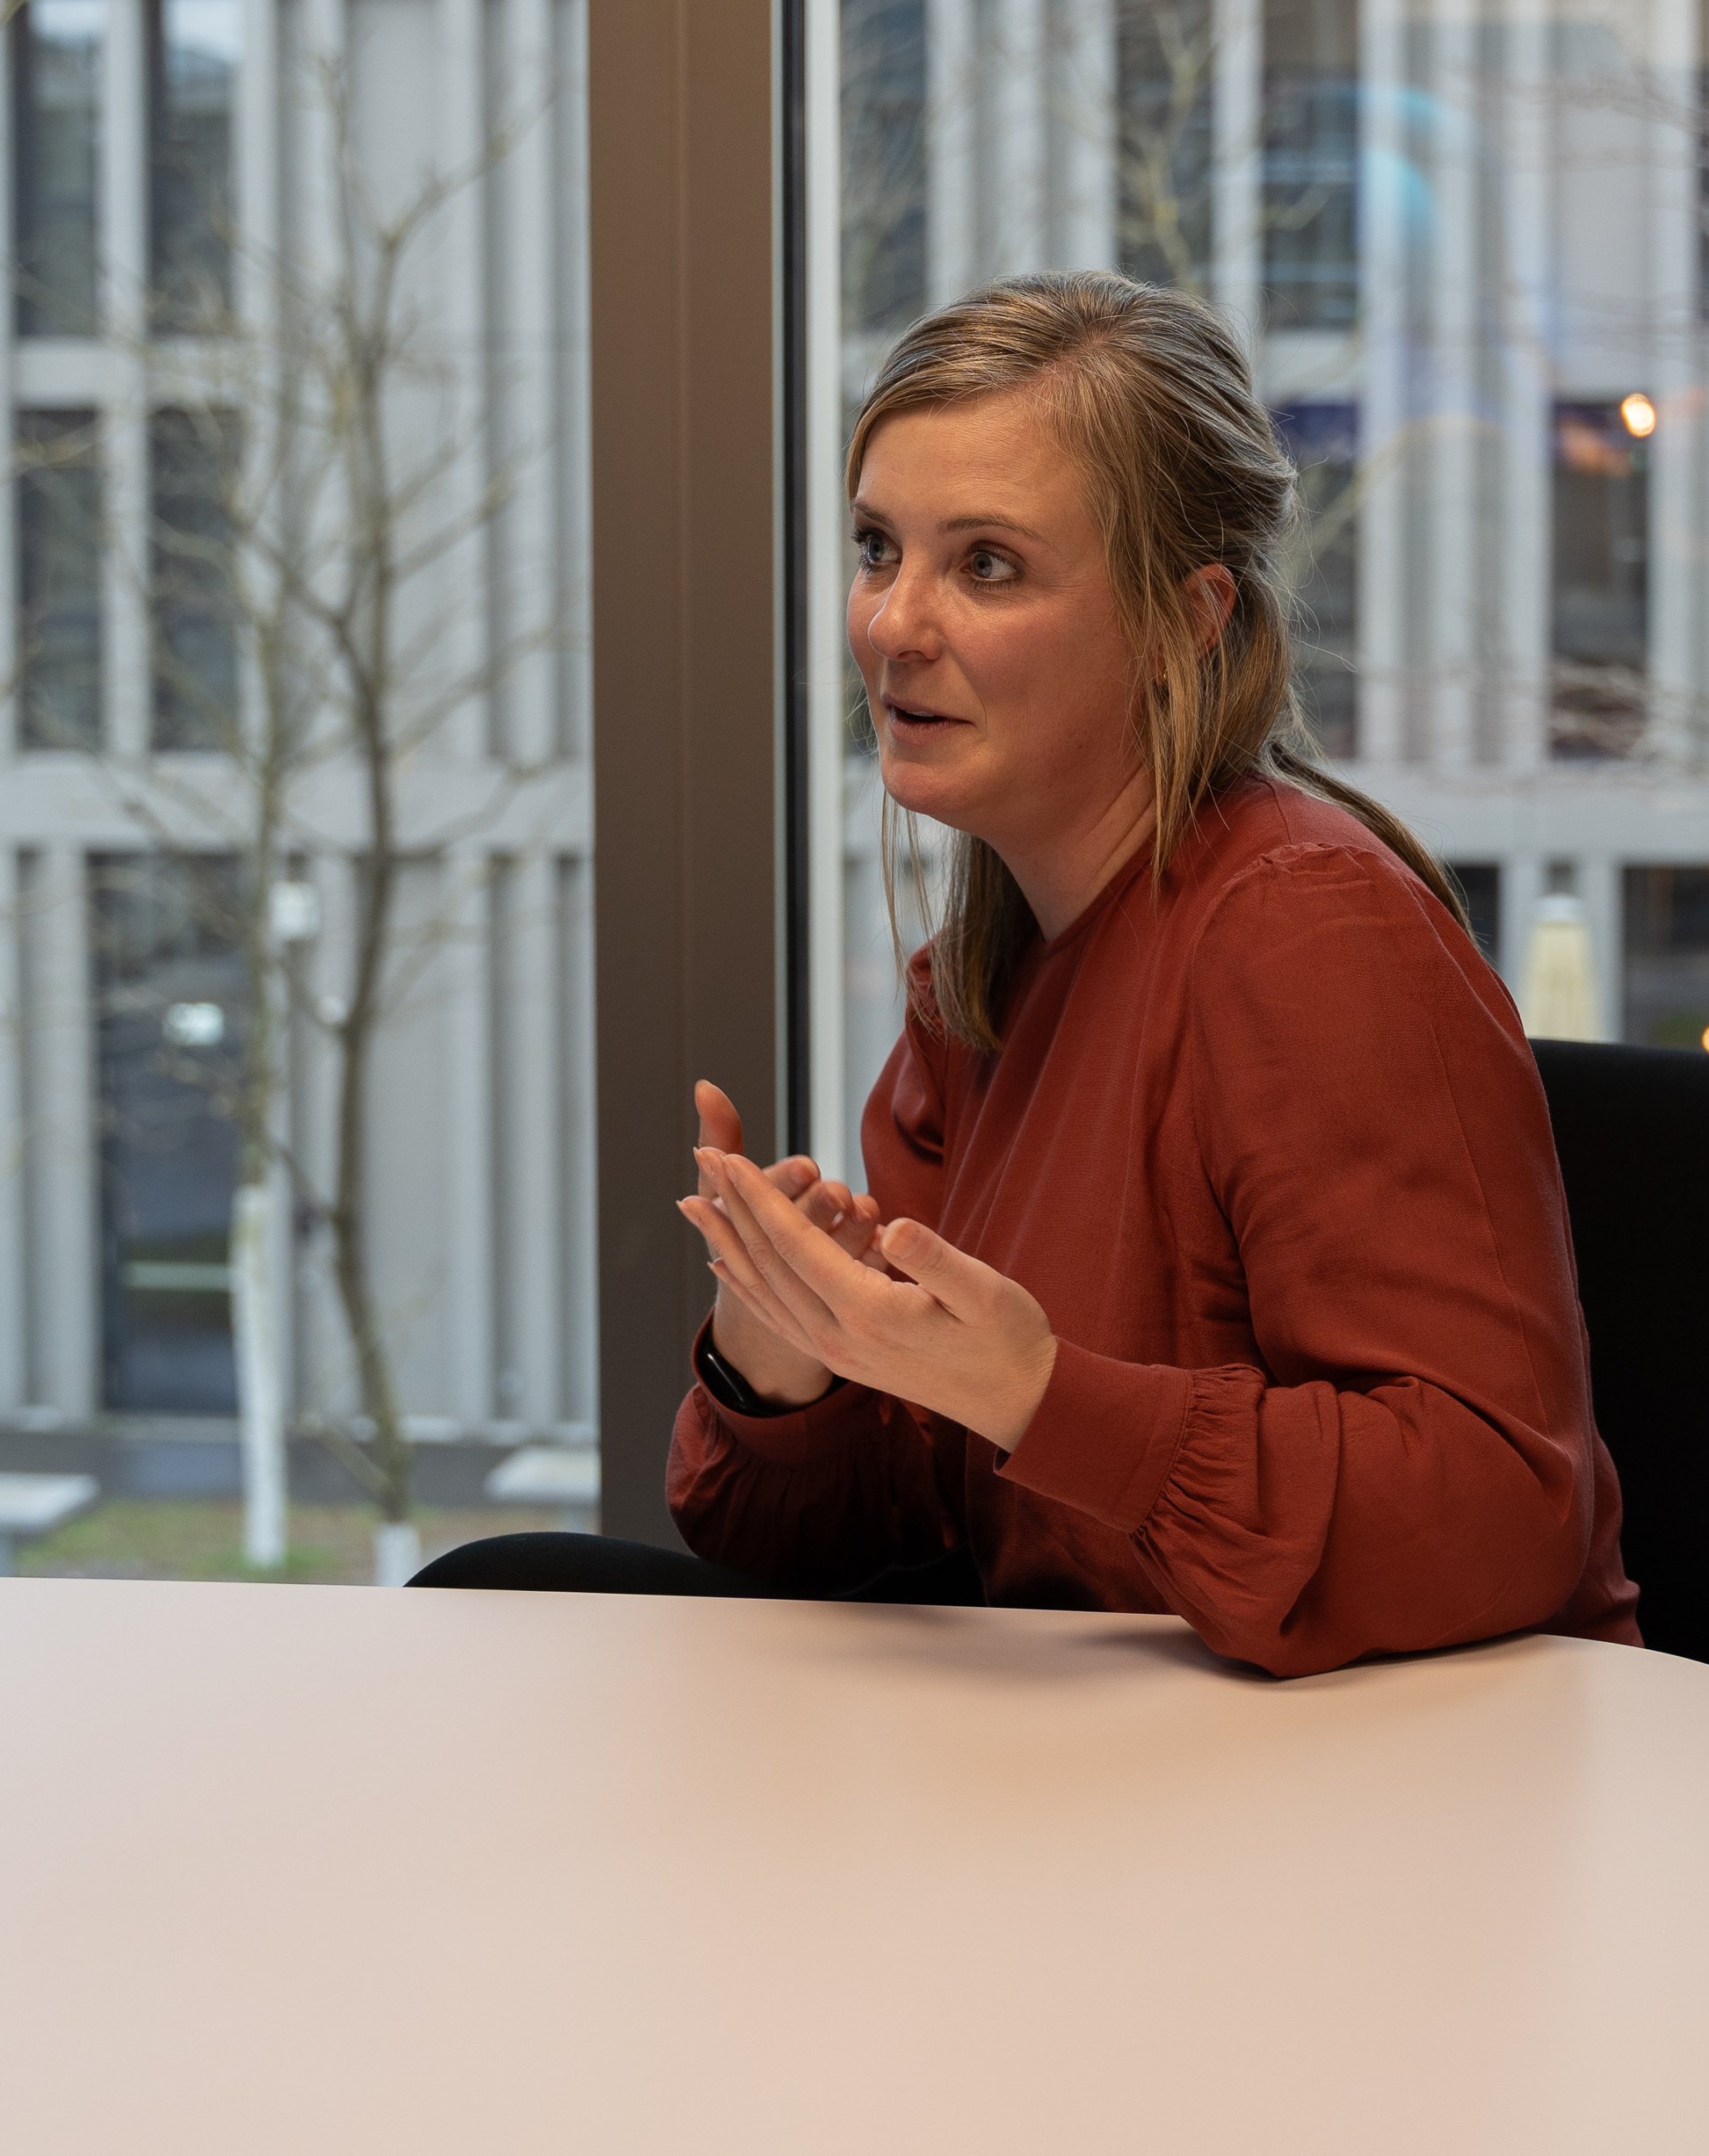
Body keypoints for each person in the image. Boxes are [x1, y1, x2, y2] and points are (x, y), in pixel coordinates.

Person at [416, 272, 1633, 1677]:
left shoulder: (1309, 930)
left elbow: (1495, 1509)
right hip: (1108, 1741)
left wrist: (1045, 1395)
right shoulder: (985, 975)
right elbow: (884, 1541)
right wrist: (791, 1363)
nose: (892, 624)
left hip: (1397, 1779)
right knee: (503, 1593)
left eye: (986, 564)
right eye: (880, 548)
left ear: (1187, 619)